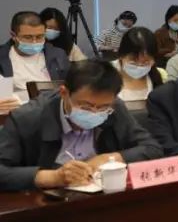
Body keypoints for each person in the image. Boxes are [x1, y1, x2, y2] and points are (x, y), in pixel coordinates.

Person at [0, 59, 163, 191]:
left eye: (103, 108)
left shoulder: (114, 107)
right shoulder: (26, 118)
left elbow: (152, 148)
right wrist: (53, 177)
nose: (94, 112)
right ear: (64, 93)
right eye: (86, 106)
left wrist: (107, 159)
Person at [1, 11, 70, 104]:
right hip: (13, 109)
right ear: (13, 36)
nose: (34, 41)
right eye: (28, 37)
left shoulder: (58, 55)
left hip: (50, 107)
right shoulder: (2, 58)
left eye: (39, 36)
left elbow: (70, 88)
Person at [111, 26, 165, 102]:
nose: (139, 65)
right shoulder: (105, 73)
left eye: (146, 61)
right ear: (121, 55)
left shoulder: (161, 76)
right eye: (133, 60)